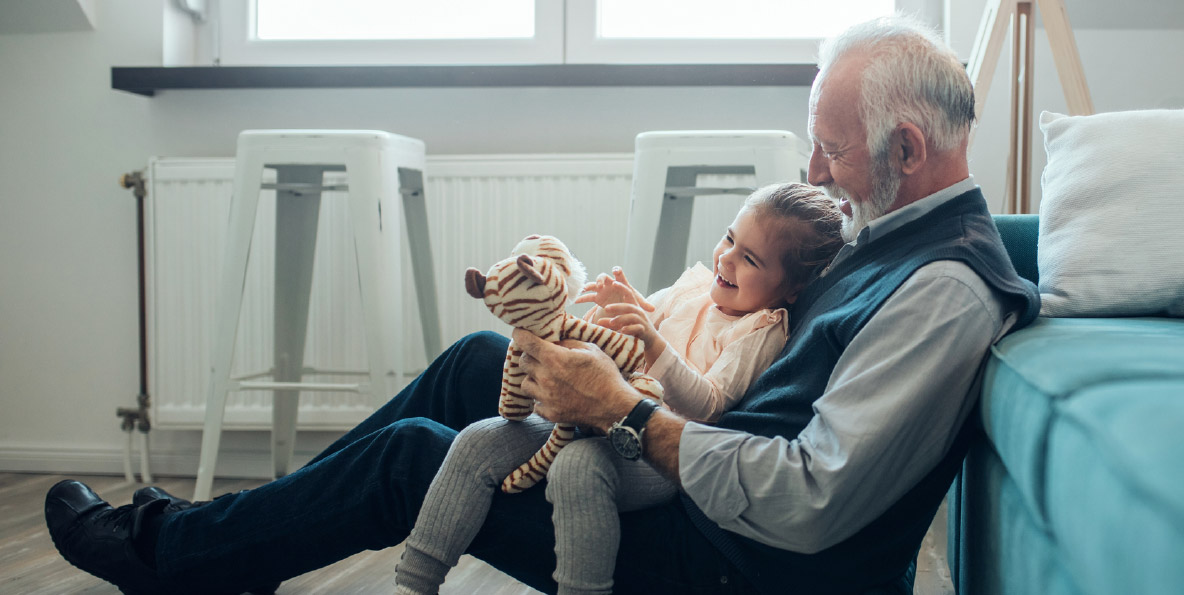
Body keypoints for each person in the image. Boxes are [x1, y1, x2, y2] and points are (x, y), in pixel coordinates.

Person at [44, 14, 1040, 594]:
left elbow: (808, 499)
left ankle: (181, 556)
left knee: (415, 457)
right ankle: (236, 542)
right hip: (704, 493)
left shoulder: (942, 292)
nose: (812, 168)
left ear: (906, 151)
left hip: (731, 559)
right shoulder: (891, 232)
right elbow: (756, 350)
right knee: (478, 367)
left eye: (827, 148)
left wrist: (624, 409)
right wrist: (614, 343)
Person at [395, 182, 844, 595]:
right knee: (477, 441)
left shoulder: (760, 330)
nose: (726, 259)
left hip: (657, 452)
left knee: (579, 468)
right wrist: (623, 307)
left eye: (750, 259)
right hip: (594, 417)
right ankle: (415, 582)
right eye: (729, 239)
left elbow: (709, 406)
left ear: (793, 287)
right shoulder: (695, 287)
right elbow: (636, 330)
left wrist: (651, 339)